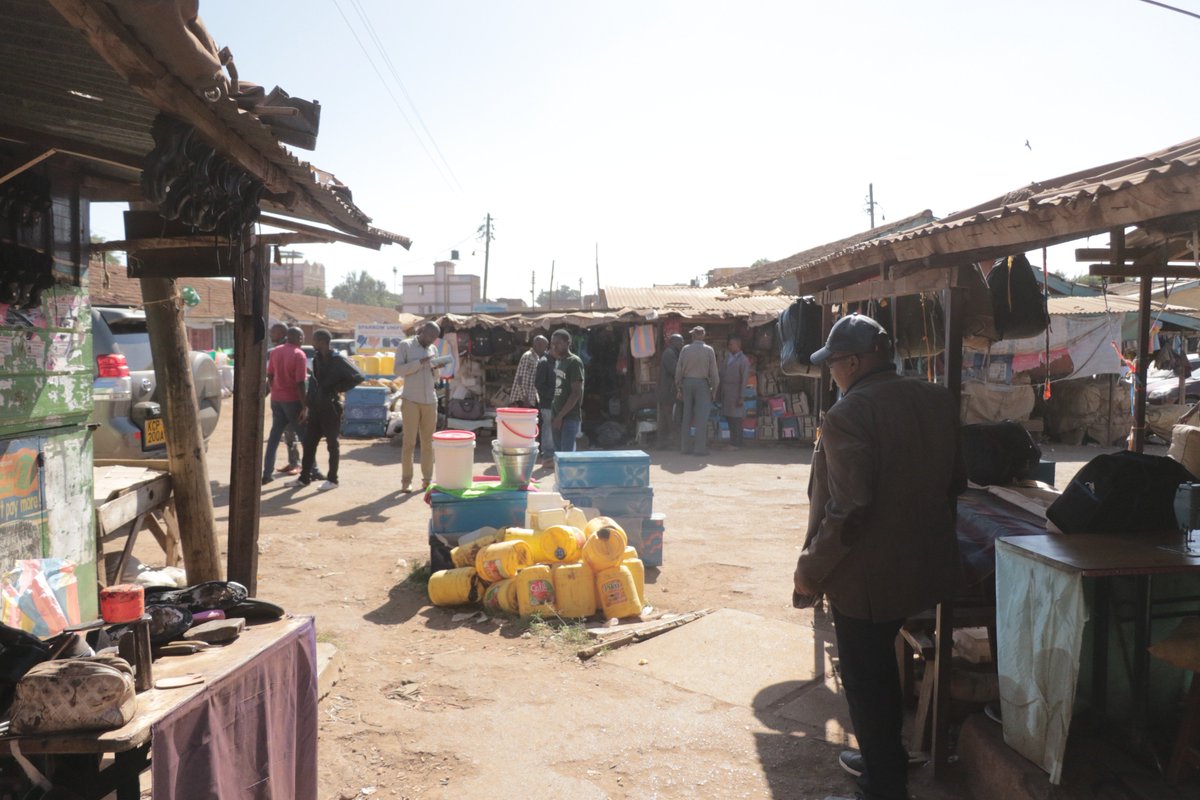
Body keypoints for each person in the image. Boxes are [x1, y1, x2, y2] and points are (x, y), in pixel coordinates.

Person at [793, 313, 964, 800]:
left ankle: (883, 786)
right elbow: (955, 483)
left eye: (833, 363)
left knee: (867, 683)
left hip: (866, 580)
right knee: (882, 670)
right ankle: (881, 759)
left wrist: (809, 571)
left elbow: (849, 511)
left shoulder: (848, 414)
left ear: (853, 361)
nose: (831, 373)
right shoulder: (937, 399)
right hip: (923, 567)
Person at [287, 329, 364, 492]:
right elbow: (313, 385)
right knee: (309, 443)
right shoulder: (317, 359)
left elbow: (358, 377)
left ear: (322, 341)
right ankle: (304, 478)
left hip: (331, 409)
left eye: (314, 340)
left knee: (332, 445)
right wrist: (306, 406)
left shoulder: (338, 359)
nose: (312, 343)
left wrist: (337, 388)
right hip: (315, 408)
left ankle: (332, 479)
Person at [395, 321, 442, 492]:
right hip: (411, 400)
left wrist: (437, 368)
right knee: (409, 442)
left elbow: (436, 377)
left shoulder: (433, 349)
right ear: (423, 331)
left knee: (428, 443)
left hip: (430, 400)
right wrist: (420, 362)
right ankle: (406, 481)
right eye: (430, 336)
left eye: (435, 337)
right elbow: (398, 371)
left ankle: (427, 480)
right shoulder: (405, 345)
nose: (432, 340)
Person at [262, 326, 308, 485]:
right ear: (299, 338)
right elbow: (300, 383)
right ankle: (312, 470)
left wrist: (275, 390)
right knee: (304, 437)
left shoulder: (275, 351)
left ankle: (267, 473)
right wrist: (305, 406)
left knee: (274, 438)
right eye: (302, 337)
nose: (303, 340)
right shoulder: (299, 354)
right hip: (292, 401)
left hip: (277, 400)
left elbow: (270, 375)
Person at [675, 325, 719, 456]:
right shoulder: (709, 350)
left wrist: (679, 388)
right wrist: (714, 390)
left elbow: (678, 371)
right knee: (701, 417)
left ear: (693, 336)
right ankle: (699, 449)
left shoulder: (685, 349)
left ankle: (685, 448)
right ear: (703, 336)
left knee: (686, 416)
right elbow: (714, 373)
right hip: (702, 384)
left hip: (687, 383)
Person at [549, 329, 584, 453]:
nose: (554, 347)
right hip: (557, 416)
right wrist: (555, 416)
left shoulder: (574, 362)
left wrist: (560, 416)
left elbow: (575, 393)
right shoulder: (560, 362)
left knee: (566, 456)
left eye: (558, 343)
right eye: (553, 344)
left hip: (569, 417)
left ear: (568, 343)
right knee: (558, 455)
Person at [719, 334, 751, 448]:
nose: (729, 346)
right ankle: (734, 442)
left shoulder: (743, 360)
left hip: (736, 392)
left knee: (736, 419)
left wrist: (741, 396)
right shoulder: (728, 357)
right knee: (729, 417)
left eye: (731, 344)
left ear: (738, 345)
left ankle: (736, 443)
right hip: (727, 392)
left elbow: (744, 379)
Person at [657, 334, 684, 450]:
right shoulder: (669, 353)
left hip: (668, 391)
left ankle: (662, 444)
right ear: (673, 342)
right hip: (668, 392)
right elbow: (675, 370)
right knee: (672, 418)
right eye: (680, 342)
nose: (682, 344)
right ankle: (676, 444)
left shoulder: (672, 353)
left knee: (665, 418)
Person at [534, 335, 557, 466]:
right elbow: (539, 384)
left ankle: (552, 455)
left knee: (552, 429)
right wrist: (552, 395)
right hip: (547, 403)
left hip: (555, 402)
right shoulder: (544, 362)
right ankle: (548, 456)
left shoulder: (555, 361)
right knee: (548, 428)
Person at [510, 335, 547, 409]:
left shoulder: (536, 357)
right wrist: (525, 399)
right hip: (522, 400)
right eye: (545, 346)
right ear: (538, 345)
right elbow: (520, 379)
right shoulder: (528, 356)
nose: (546, 349)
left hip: (529, 399)